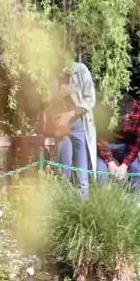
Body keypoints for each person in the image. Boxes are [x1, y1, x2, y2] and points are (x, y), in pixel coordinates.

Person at [56, 62, 99, 197]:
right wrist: (58, 93)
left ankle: (82, 204)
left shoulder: (80, 70)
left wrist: (71, 113)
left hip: (78, 122)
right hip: (60, 123)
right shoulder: (50, 68)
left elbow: (90, 99)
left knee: (82, 170)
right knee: (65, 168)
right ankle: (65, 203)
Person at [99, 94, 140, 188]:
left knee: (136, 170)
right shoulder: (106, 110)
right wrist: (110, 163)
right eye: (121, 116)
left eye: (128, 115)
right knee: (101, 172)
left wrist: (125, 165)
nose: (125, 118)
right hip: (106, 144)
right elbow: (100, 137)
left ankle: (137, 201)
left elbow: (136, 143)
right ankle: (104, 199)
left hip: (126, 146)